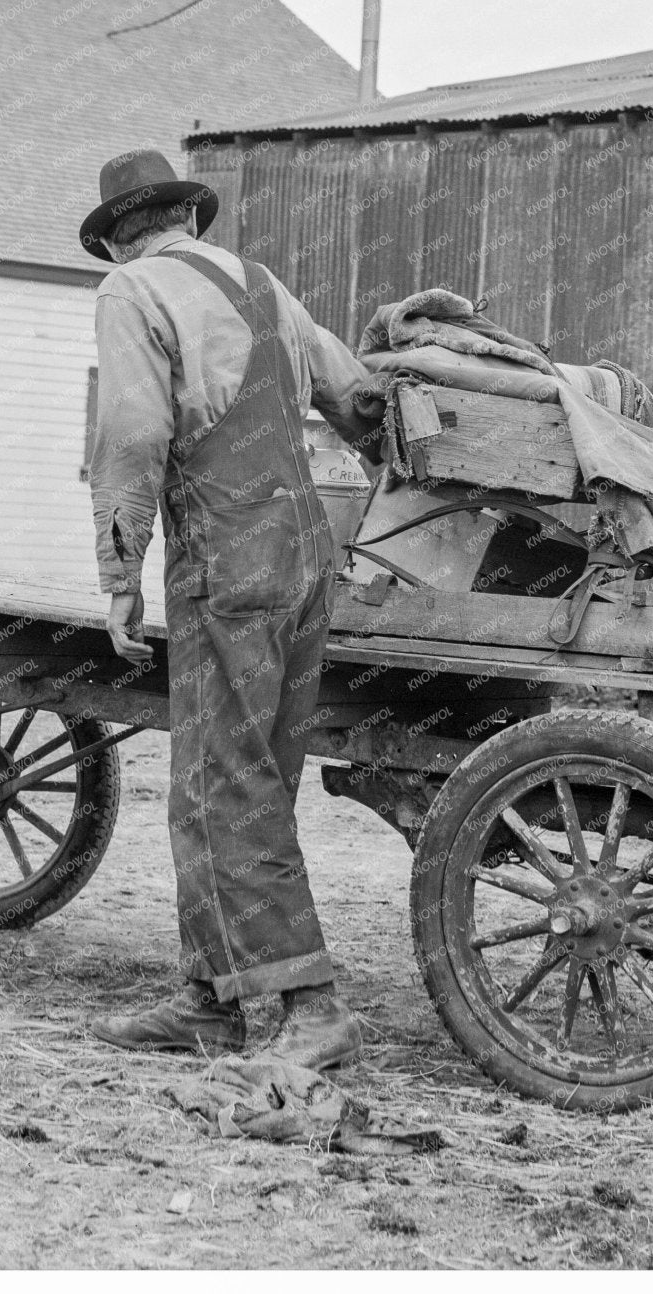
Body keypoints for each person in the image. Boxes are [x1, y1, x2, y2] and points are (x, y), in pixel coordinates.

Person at [79, 148, 380, 1070]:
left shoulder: (131, 294)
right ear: (187, 220)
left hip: (227, 561)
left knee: (221, 786)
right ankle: (210, 1002)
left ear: (121, 236)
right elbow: (357, 394)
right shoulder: (262, 283)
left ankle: (312, 1008)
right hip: (303, 559)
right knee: (248, 779)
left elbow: (132, 434)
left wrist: (119, 572)